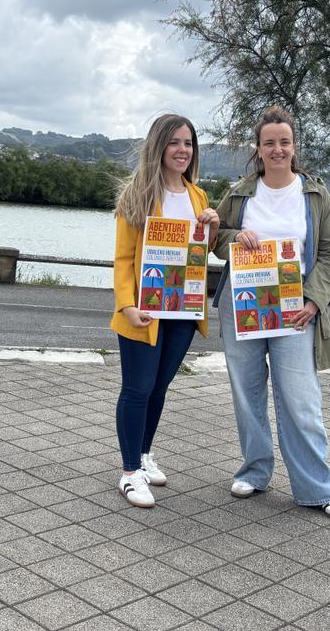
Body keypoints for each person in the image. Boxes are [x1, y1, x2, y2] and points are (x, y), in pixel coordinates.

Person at [212, 105, 330, 522]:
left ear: (294, 147)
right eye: (269, 142)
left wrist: (313, 300)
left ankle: (318, 488)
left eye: (284, 142)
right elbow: (215, 241)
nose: (277, 149)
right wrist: (236, 235)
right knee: (247, 393)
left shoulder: (314, 194)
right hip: (243, 309)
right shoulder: (239, 193)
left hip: (295, 313)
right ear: (258, 149)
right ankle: (255, 471)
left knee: (300, 399)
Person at [111, 114, 219, 508]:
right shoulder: (137, 195)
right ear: (159, 146)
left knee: (159, 387)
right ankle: (128, 473)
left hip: (183, 312)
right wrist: (126, 305)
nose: (182, 150)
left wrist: (212, 226)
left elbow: (200, 253)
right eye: (174, 142)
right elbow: (123, 259)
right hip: (144, 311)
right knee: (137, 389)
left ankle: (142, 455)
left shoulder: (198, 197)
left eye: (188, 143)